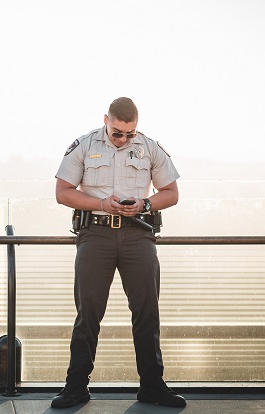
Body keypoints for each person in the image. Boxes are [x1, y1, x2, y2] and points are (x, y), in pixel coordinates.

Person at [51, 97, 185, 408]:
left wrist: (146, 204)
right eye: (117, 132)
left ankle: (152, 386)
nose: (123, 139)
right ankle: (75, 387)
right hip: (95, 235)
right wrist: (100, 203)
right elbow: (62, 192)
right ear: (105, 121)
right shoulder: (84, 145)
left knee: (147, 312)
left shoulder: (149, 148)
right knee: (89, 313)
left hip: (138, 235)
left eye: (130, 133)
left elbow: (171, 192)